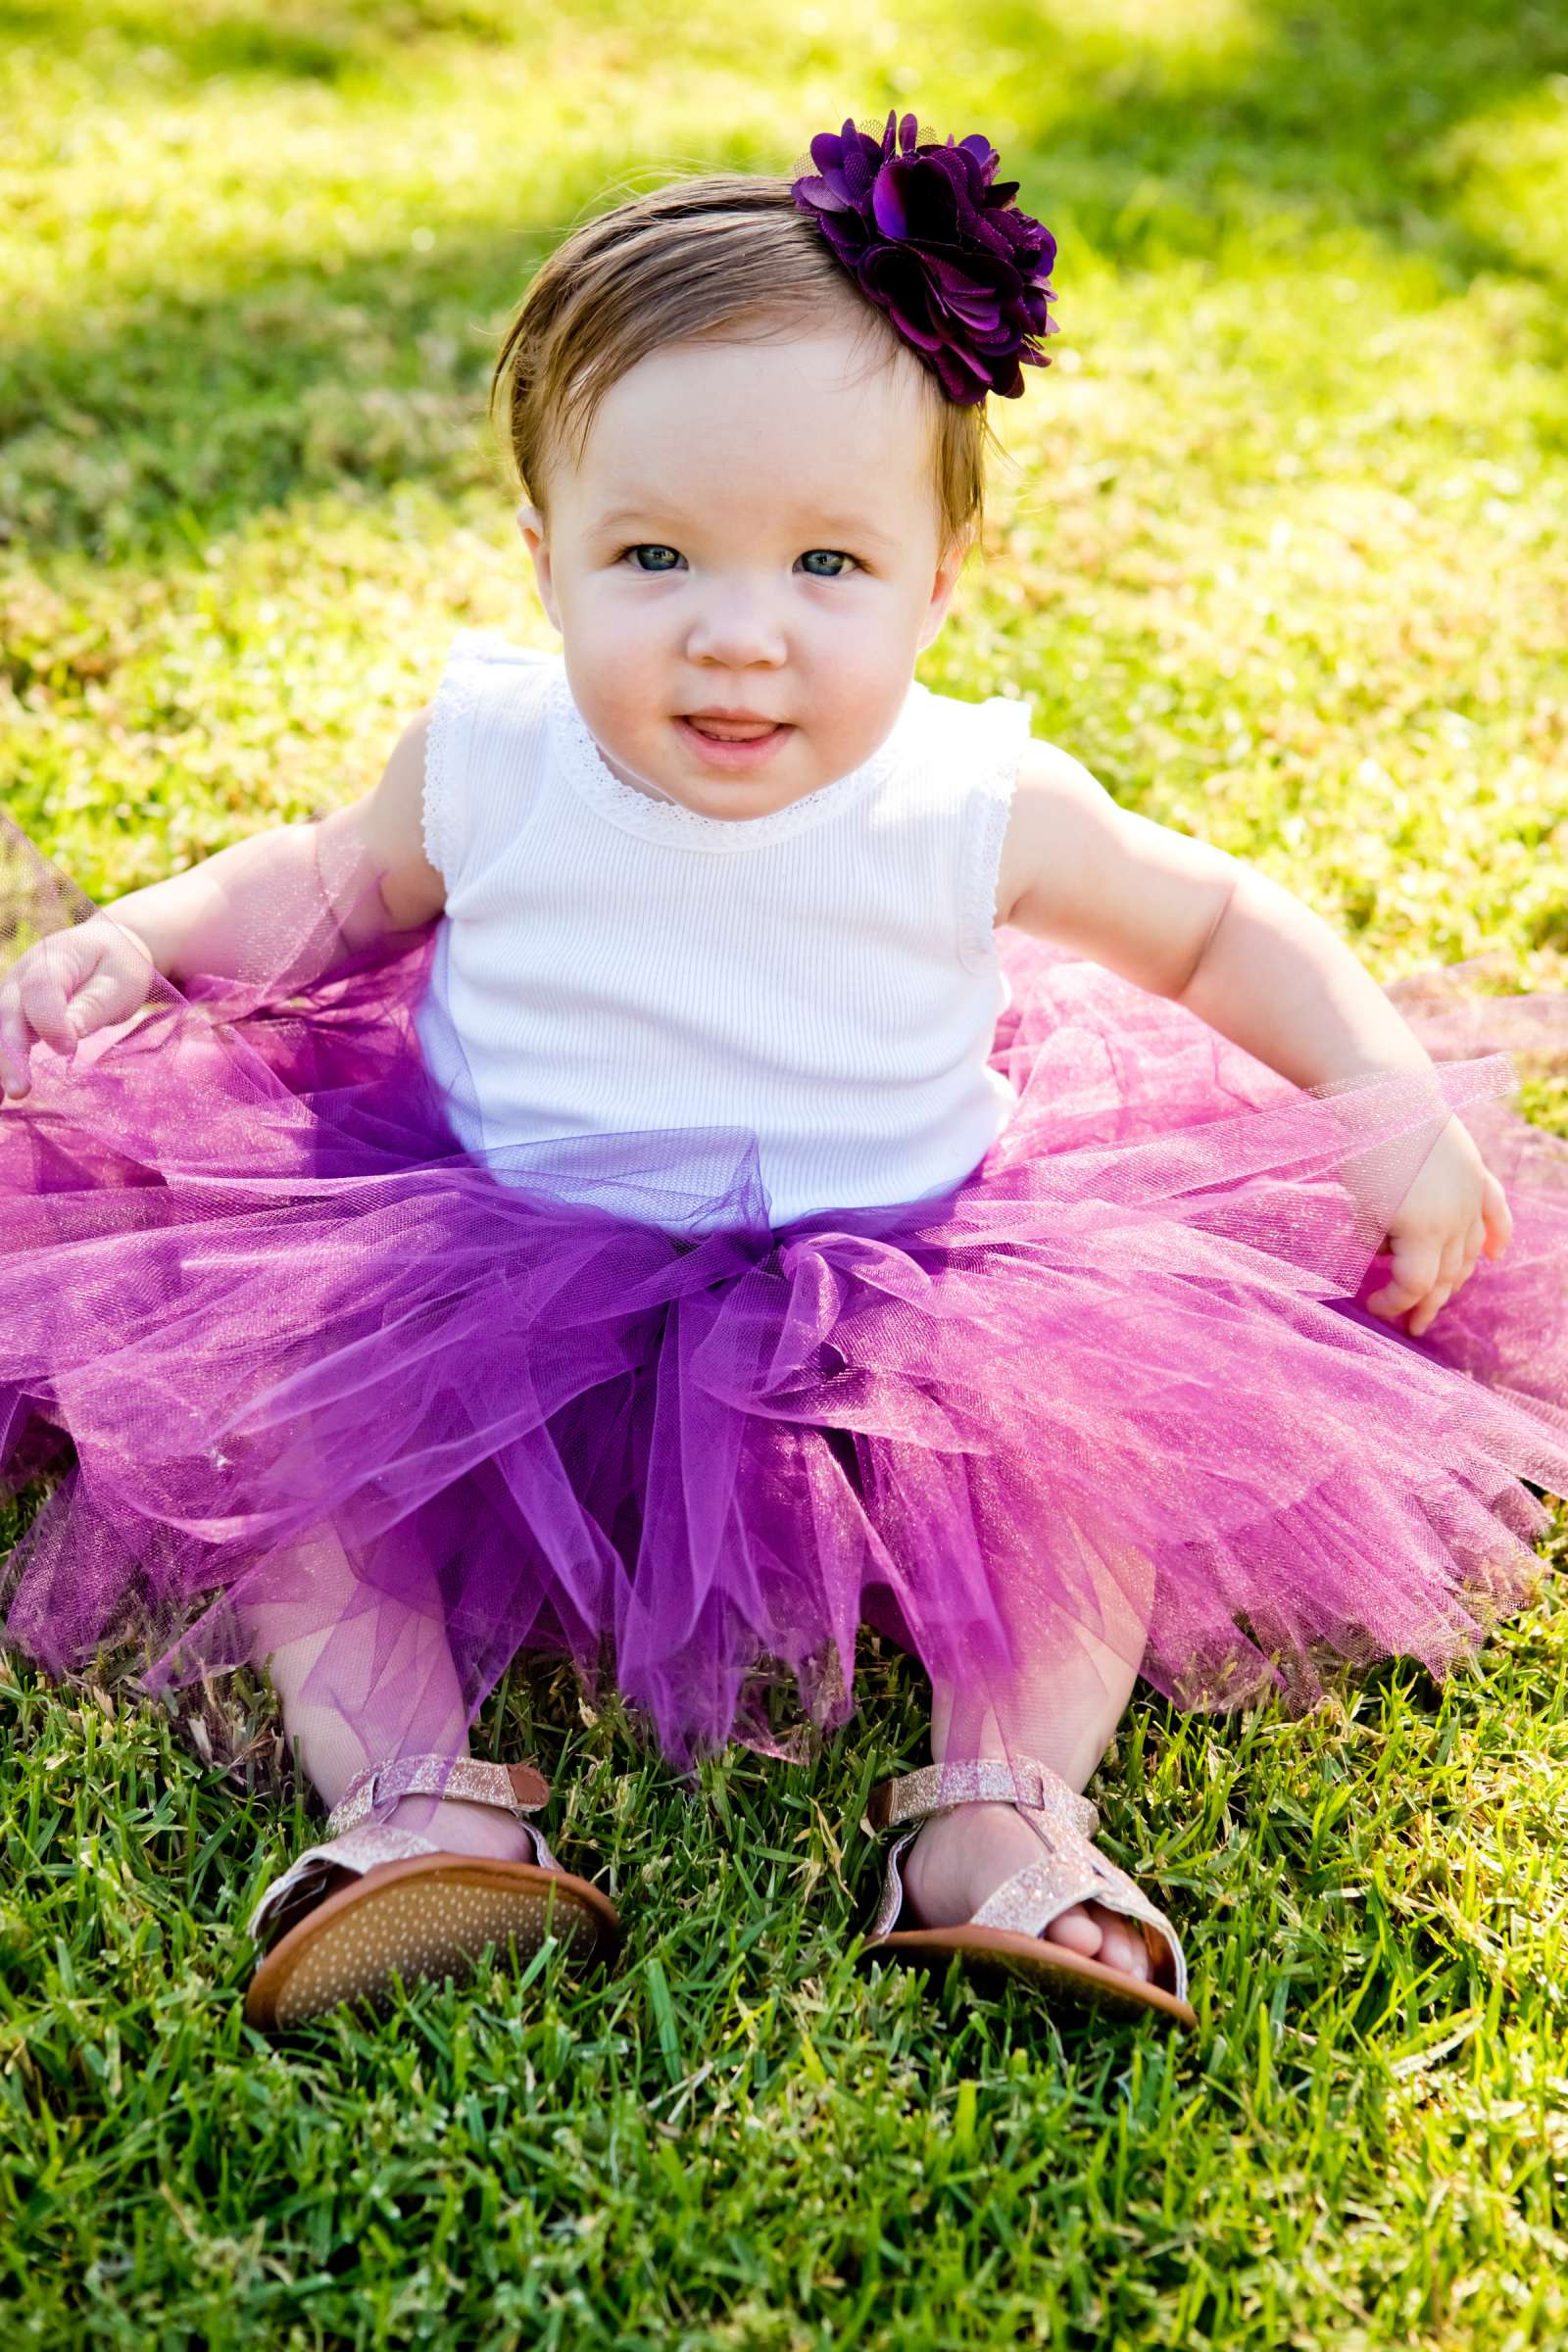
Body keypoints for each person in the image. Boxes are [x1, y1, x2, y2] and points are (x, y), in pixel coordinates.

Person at [2, 113, 1565, 2034]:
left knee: (1077, 1473)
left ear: (936, 581)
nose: (735, 633)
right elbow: (326, 891)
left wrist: (1378, 1097)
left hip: (916, 1264)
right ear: (542, 557)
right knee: (306, 1458)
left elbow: (1214, 926)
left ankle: (1006, 1815)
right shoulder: (489, 754)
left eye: (826, 562)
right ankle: (406, 1806)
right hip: (491, 1244)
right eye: (650, 553)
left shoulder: (969, 797)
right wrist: (150, 937)